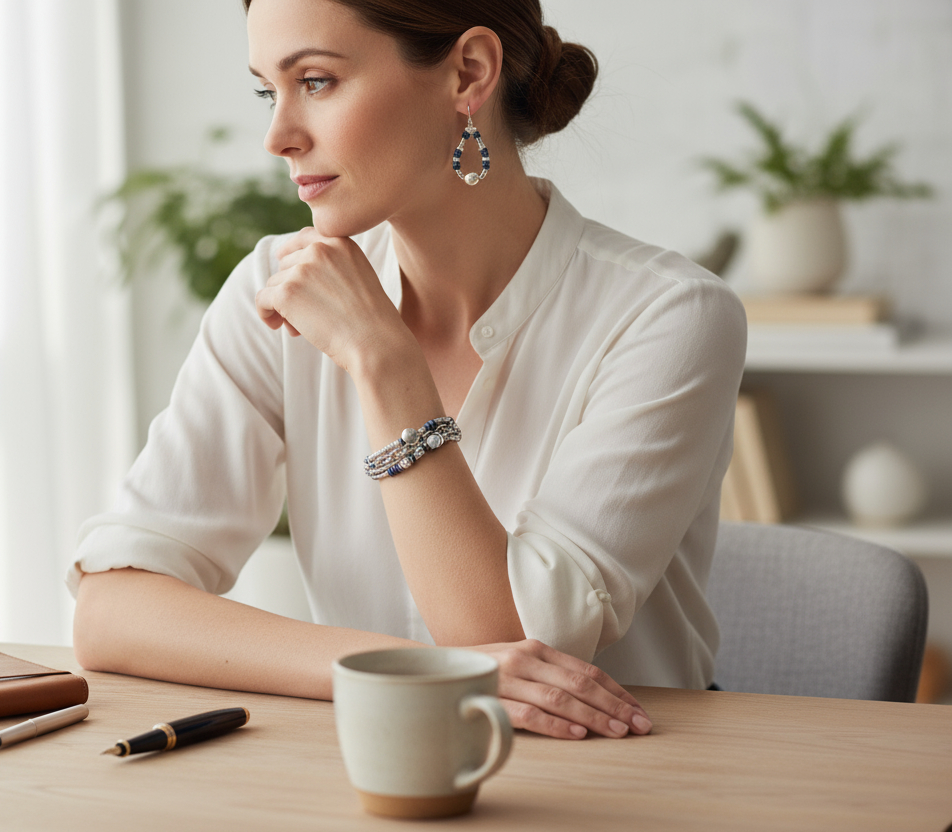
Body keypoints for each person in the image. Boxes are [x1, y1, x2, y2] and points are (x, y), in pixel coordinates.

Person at [69, 0, 746, 741]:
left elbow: (521, 644)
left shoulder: (668, 316)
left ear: (468, 74)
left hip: (624, 788)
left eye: (318, 82)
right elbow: (112, 611)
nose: (279, 136)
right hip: (374, 772)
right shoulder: (279, 285)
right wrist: (379, 665)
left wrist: (384, 360)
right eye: (270, 90)